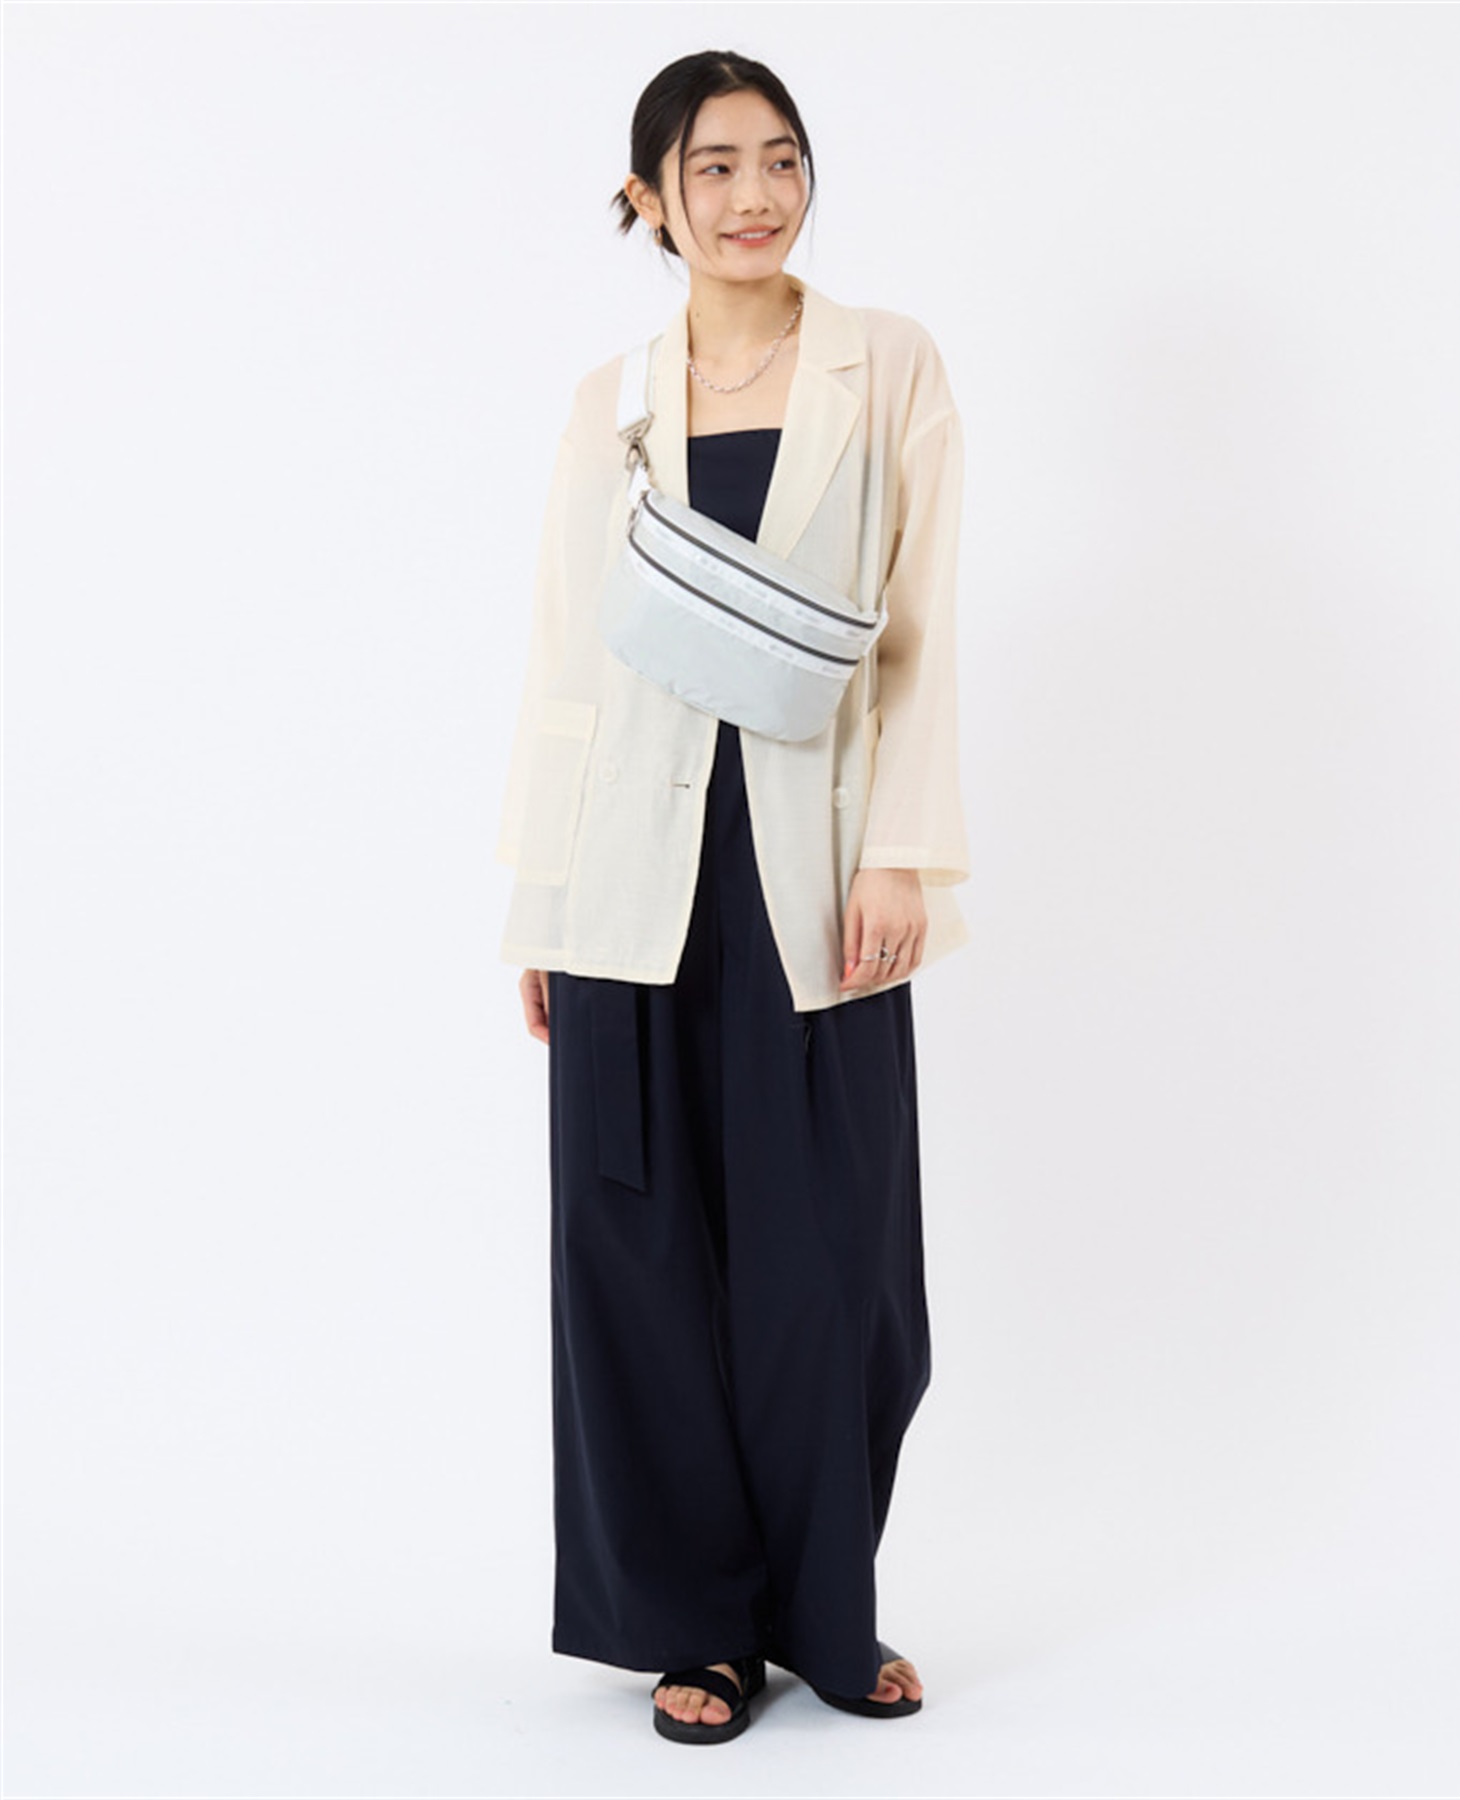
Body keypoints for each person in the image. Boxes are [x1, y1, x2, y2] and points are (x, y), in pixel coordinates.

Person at [493, 49, 971, 1743]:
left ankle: (824, 1610)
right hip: (632, 879)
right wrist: (543, 903)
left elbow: (920, 631)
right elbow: (567, 660)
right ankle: (695, 1628)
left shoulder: (888, 364)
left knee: (831, 1260)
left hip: (814, 875)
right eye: (714, 167)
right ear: (652, 199)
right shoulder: (609, 399)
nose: (755, 194)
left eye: (780, 158)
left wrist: (901, 847)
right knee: (641, 1249)